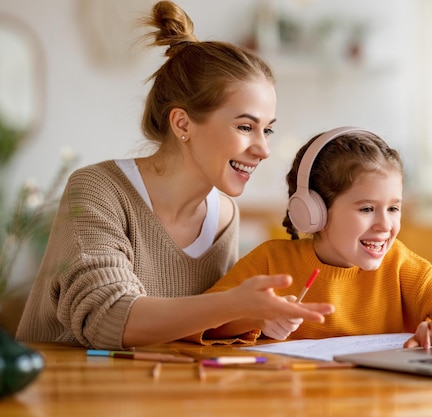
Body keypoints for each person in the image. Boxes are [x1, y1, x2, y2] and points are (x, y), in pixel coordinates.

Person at [15, 1, 333, 350]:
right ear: (182, 123)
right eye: (245, 126)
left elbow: (196, 327)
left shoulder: (224, 216)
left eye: (267, 130)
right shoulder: (98, 189)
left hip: (155, 395)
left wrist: (256, 316)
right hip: (63, 395)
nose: (263, 149)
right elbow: (107, 319)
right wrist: (232, 304)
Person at [187, 127, 432, 349]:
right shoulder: (270, 261)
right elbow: (200, 319)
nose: (385, 224)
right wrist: (258, 320)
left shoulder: (400, 265)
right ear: (314, 211)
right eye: (367, 208)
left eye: (393, 208)